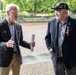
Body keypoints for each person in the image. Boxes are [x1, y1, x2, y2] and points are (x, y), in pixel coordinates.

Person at [0, 4, 35, 75]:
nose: (16, 14)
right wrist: (6, 44)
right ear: (8, 13)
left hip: (17, 57)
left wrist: (29, 44)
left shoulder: (18, 26)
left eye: (17, 12)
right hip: (5, 57)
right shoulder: (1, 25)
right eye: (14, 12)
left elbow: (20, 41)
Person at [45, 2, 76, 75]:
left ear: (66, 12)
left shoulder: (74, 23)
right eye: (55, 11)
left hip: (71, 60)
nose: (56, 13)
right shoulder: (51, 22)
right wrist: (50, 47)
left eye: (58, 11)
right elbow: (47, 38)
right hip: (57, 59)